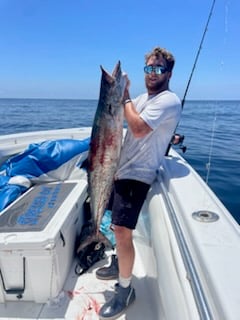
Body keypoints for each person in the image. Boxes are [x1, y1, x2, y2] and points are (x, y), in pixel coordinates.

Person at [98, 46, 182, 320]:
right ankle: (118, 262)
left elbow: (137, 127)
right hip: (120, 170)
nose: (152, 74)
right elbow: (119, 120)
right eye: (149, 68)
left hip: (138, 175)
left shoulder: (168, 100)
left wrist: (122, 97)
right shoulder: (142, 98)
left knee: (122, 231)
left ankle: (125, 290)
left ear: (168, 73)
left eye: (158, 69)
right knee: (113, 223)